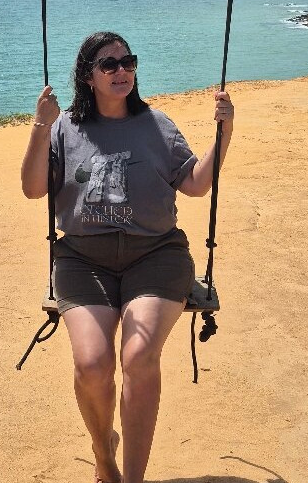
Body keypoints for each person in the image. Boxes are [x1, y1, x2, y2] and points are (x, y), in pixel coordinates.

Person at [21, 31, 234, 483]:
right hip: (83, 260)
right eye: (109, 64)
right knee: (92, 364)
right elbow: (33, 188)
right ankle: (104, 454)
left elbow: (195, 184)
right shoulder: (65, 128)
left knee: (138, 356)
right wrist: (41, 124)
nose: (122, 71)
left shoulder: (157, 124)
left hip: (155, 256)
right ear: (88, 76)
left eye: (127, 61)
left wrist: (224, 134)